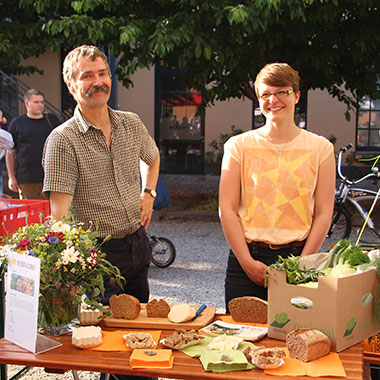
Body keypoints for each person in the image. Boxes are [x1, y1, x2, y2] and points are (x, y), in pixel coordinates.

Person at [42, 45, 160, 380]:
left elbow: (153, 158)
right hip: (100, 258)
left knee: (137, 339)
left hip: (138, 245)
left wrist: (148, 192)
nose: (98, 82)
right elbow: (60, 219)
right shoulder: (62, 141)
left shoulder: (130, 123)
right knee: (114, 353)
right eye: (87, 76)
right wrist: (69, 279)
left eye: (102, 73)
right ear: (71, 84)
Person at [219, 63, 336, 310]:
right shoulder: (237, 146)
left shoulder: (321, 148)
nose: (273, 100)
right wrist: (247, 262)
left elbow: (324, 212)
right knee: (240, 342)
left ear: (296, 95)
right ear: (258, 99)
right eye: (265, 94)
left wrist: (303, 264)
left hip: (300, 258)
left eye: (282, 91)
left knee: (297, 340)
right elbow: (226, 209)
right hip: (247, 261)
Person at [6, 89, 60, 199]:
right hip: (26, 178)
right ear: (27, 103)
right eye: (36, 102)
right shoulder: (17, 123)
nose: (40, 105)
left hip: (50, 177)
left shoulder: (52, 120)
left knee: (51, 213)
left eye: (42, 102)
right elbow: (10, 152)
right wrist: (11, 177)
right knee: (28, 212)